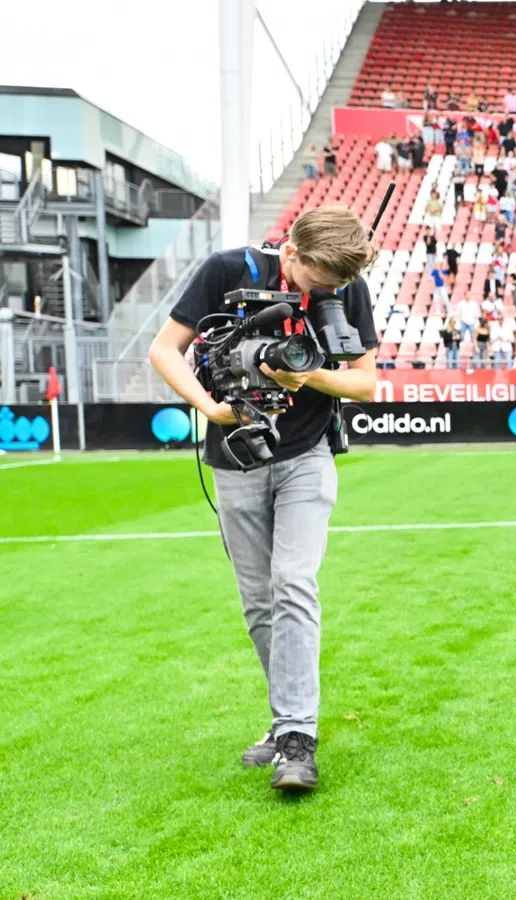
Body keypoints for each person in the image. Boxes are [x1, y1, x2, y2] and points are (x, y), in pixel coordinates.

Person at [146, 206, 380, 793]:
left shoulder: (345, 286)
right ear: (292, 252)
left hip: (308, 455)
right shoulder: (227, 269)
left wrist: (313, 376)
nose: (328, 291)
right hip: (235, 456)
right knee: (258, 602)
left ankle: (297, 738)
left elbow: (366, 381)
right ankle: (284, 725)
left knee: (294, 583)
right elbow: (163, 350)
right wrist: (209, 406)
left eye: (338, 285)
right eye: (319, 281)